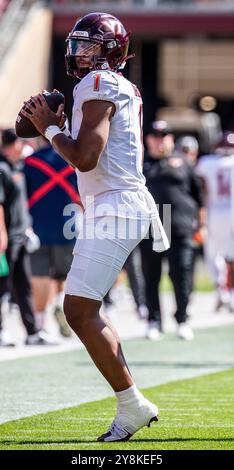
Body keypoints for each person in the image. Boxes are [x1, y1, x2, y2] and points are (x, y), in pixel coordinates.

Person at [21, 12, 169, 442]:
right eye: (77, 45)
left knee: (78, 310)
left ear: (106, 52)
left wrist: (49, 126)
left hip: (116, 205)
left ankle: (133, 405)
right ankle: (133, 403)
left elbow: (84, 157)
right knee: (81, 309)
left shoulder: (99, 83)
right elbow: (85, 149)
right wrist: (50, 123)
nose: (77, 53)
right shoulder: (107, 86)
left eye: (87, 46)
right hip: (114, 203)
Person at [140, 120, 205, 341]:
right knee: (151, 277)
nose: (160, 140)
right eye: (156, 136)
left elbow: (199, 197)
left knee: (182, 274)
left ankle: (182, 319)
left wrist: (201, 226)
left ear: (171, 139)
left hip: (180, 229)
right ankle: (154, 320)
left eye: (165, 136)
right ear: (148, 139)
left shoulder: (184, 163)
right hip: (151, 230)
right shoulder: (140, 164)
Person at [0, 129, 56, 346]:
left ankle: (33, 332)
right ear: (13, 144)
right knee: (3, 288)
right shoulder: (3, 169)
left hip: (21, 236)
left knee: (24, 286)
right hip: (7, 239)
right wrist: (2, 235)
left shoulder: (17, 167)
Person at [24, 139, 80, 336]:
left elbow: (24, 196)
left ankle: (41, 322)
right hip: (68, 226)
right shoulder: (74, 162)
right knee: (64, 275)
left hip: (38, 226)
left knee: (39, 275)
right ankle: (58, 304)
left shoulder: (30, 162)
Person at [196, 131, 234, 312]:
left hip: (213, 212)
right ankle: (230, 292)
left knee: (213, 254)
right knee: (230, 254)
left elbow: (200, 187)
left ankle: (222, 290)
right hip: (231, 211)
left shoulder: (207, 162)